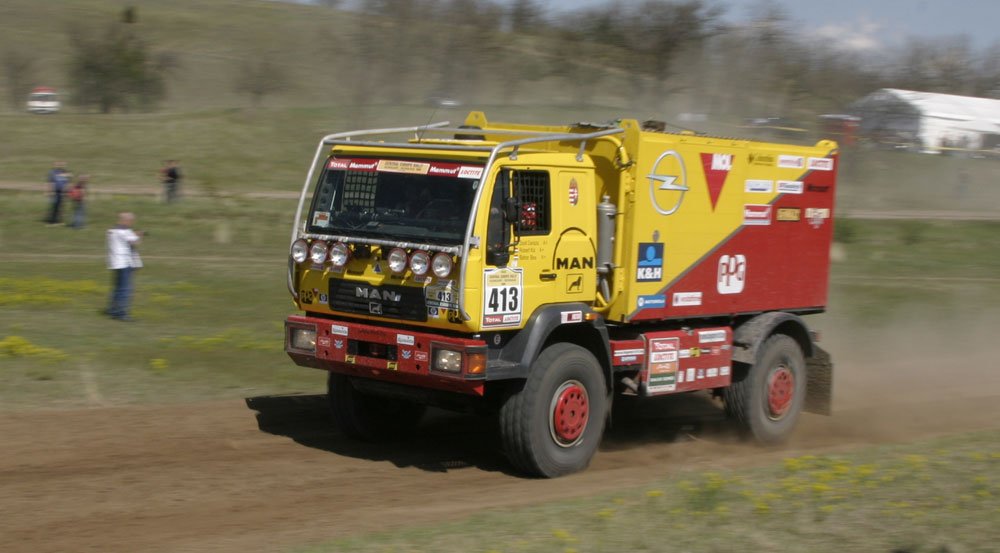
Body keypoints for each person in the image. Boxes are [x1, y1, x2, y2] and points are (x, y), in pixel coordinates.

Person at [106, 212, 144, 321]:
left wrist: (134, 234)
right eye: (131, 221)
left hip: (116, 263)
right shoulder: (125, 231)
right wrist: (140, 235)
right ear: (126, 221)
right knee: (125, 290)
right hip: (125, 263)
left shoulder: (113, 230)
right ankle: (121, 313)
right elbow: (135, 243)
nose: (132, 223)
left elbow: (124, 238)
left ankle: (113, 310)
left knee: (117, 288)